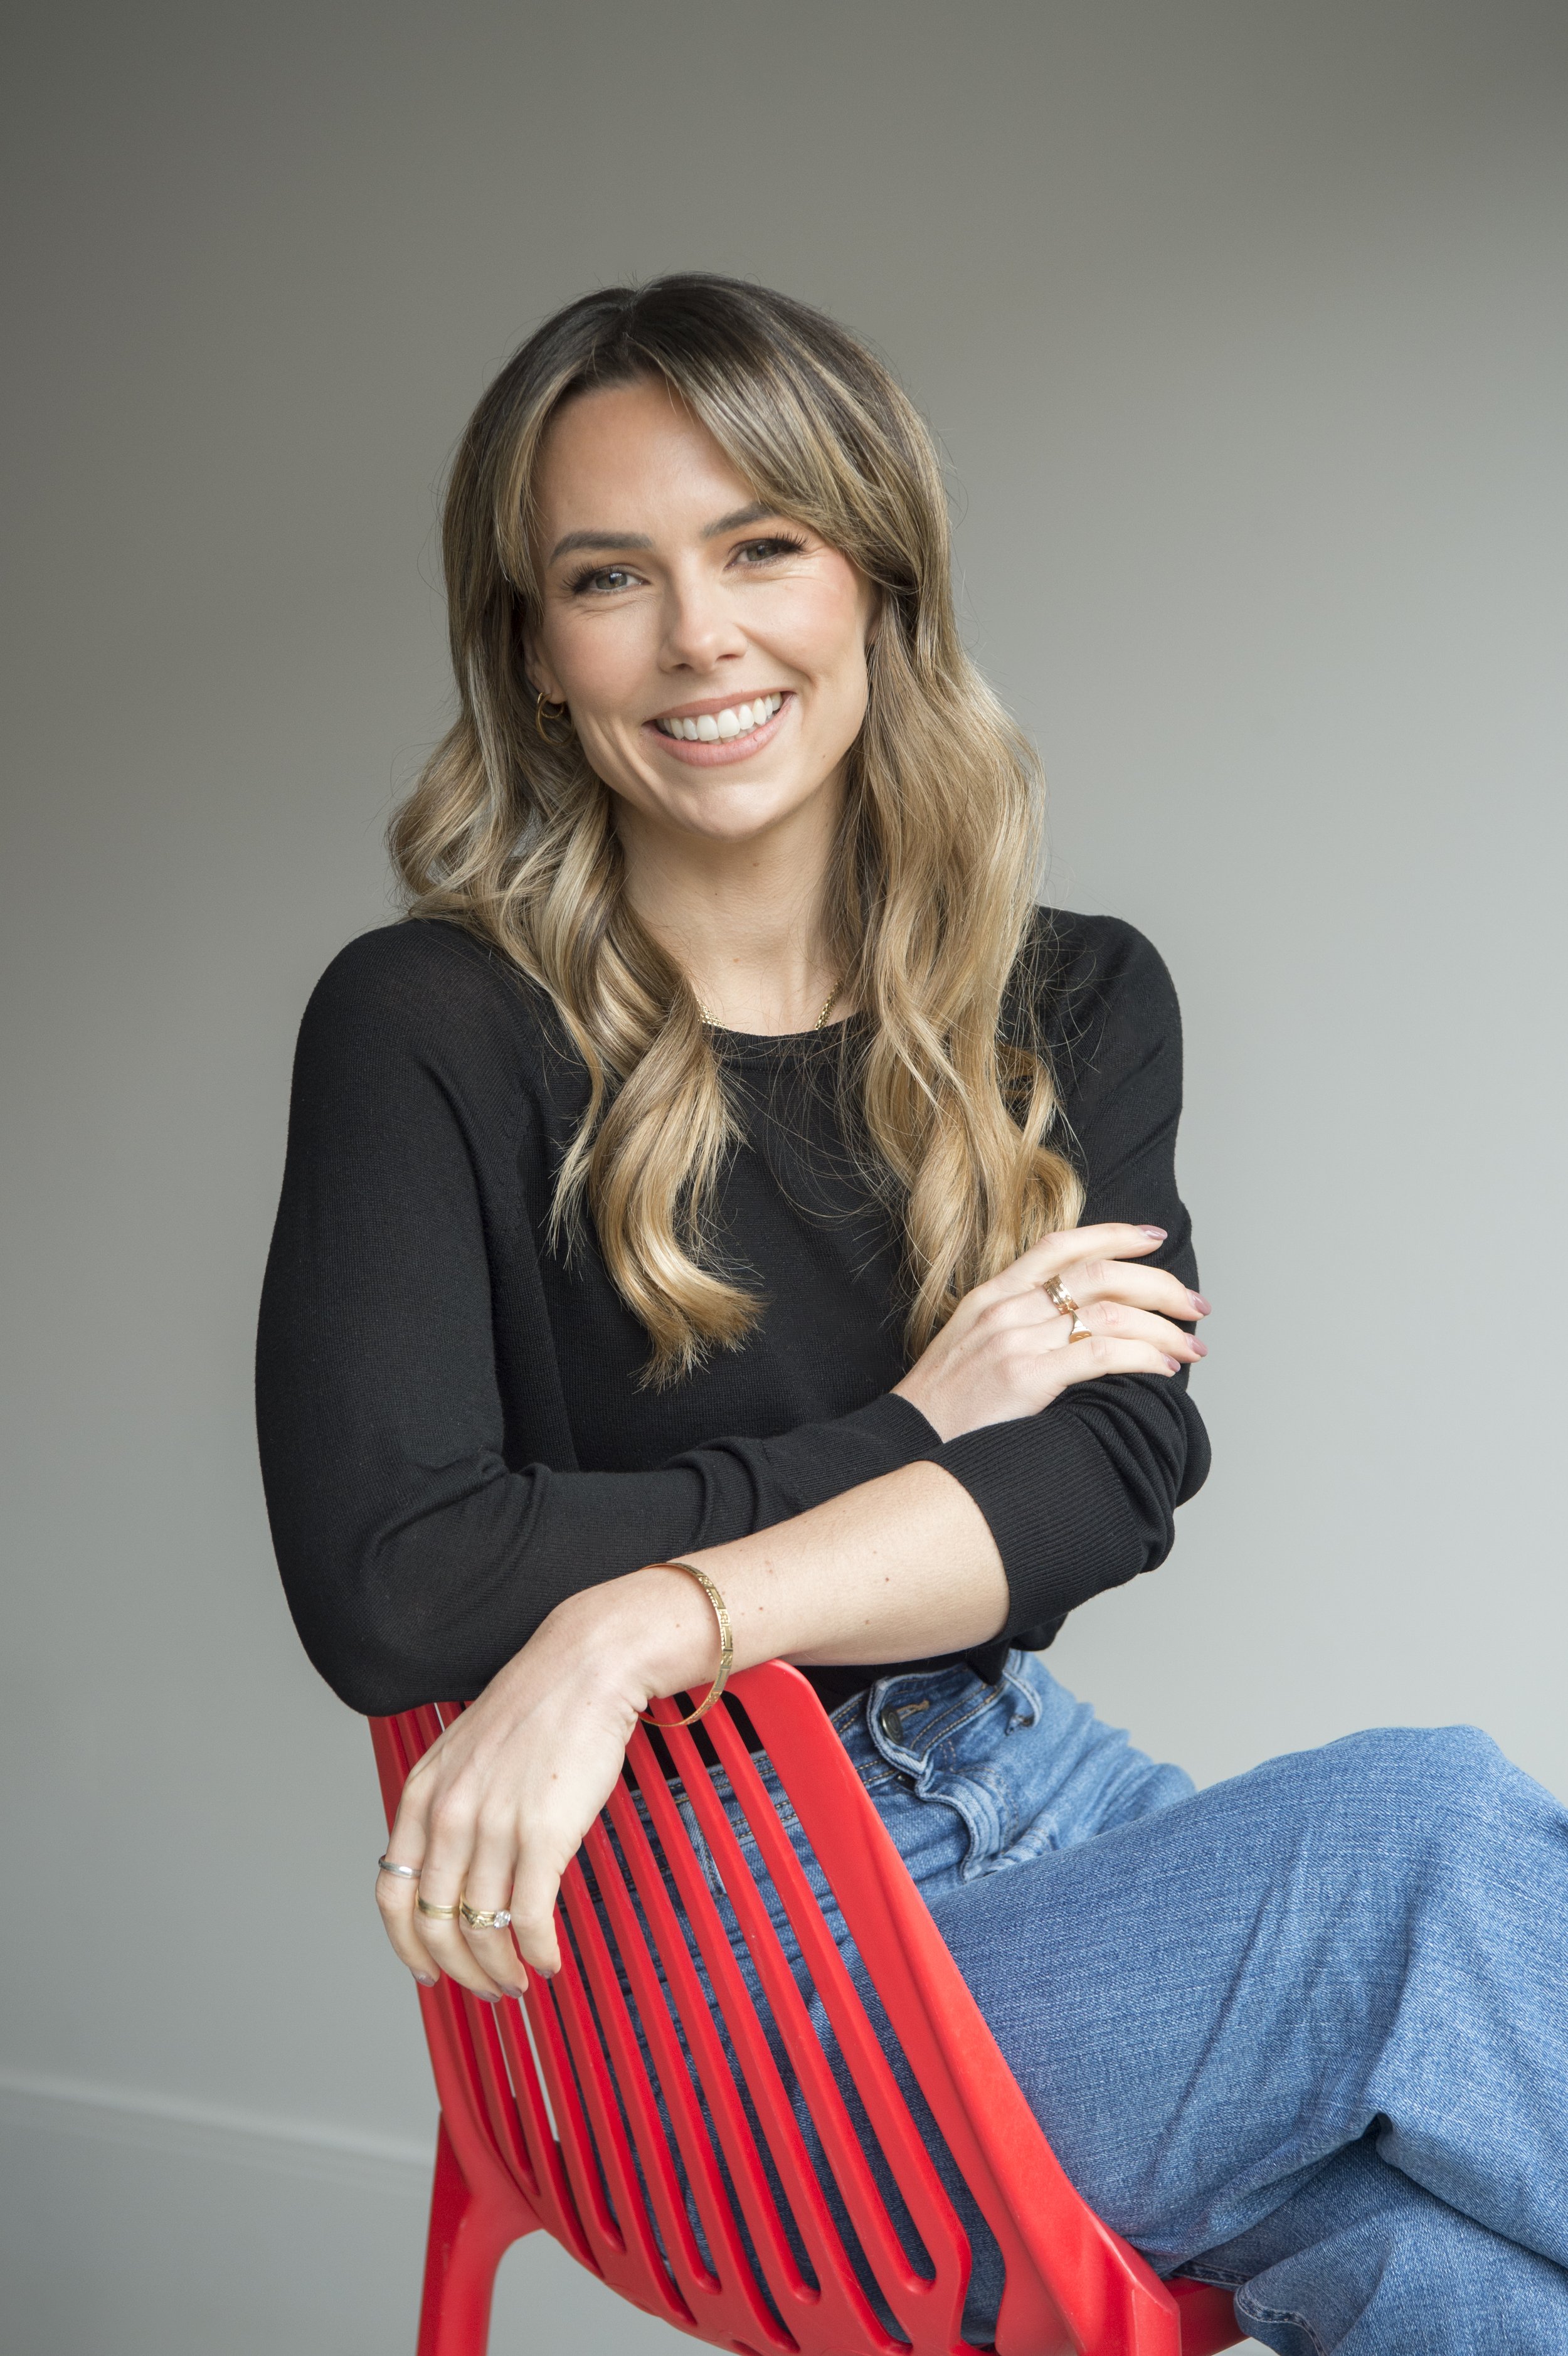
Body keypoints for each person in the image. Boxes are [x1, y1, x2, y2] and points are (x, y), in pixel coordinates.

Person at [257, 276, 1568, 2353]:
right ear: (534, 648)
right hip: (685, 1963)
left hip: (1043, 1813)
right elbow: (399, 1577)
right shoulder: (430, 1025)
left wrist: (634, 1617)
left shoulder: (1070, 1001)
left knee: (1451, 2270)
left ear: (874, 573)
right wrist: (915, 1433)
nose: (700, 636)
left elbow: (1108, 1473)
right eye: (613, 576)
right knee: (1424, 1838)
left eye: (761, 544)